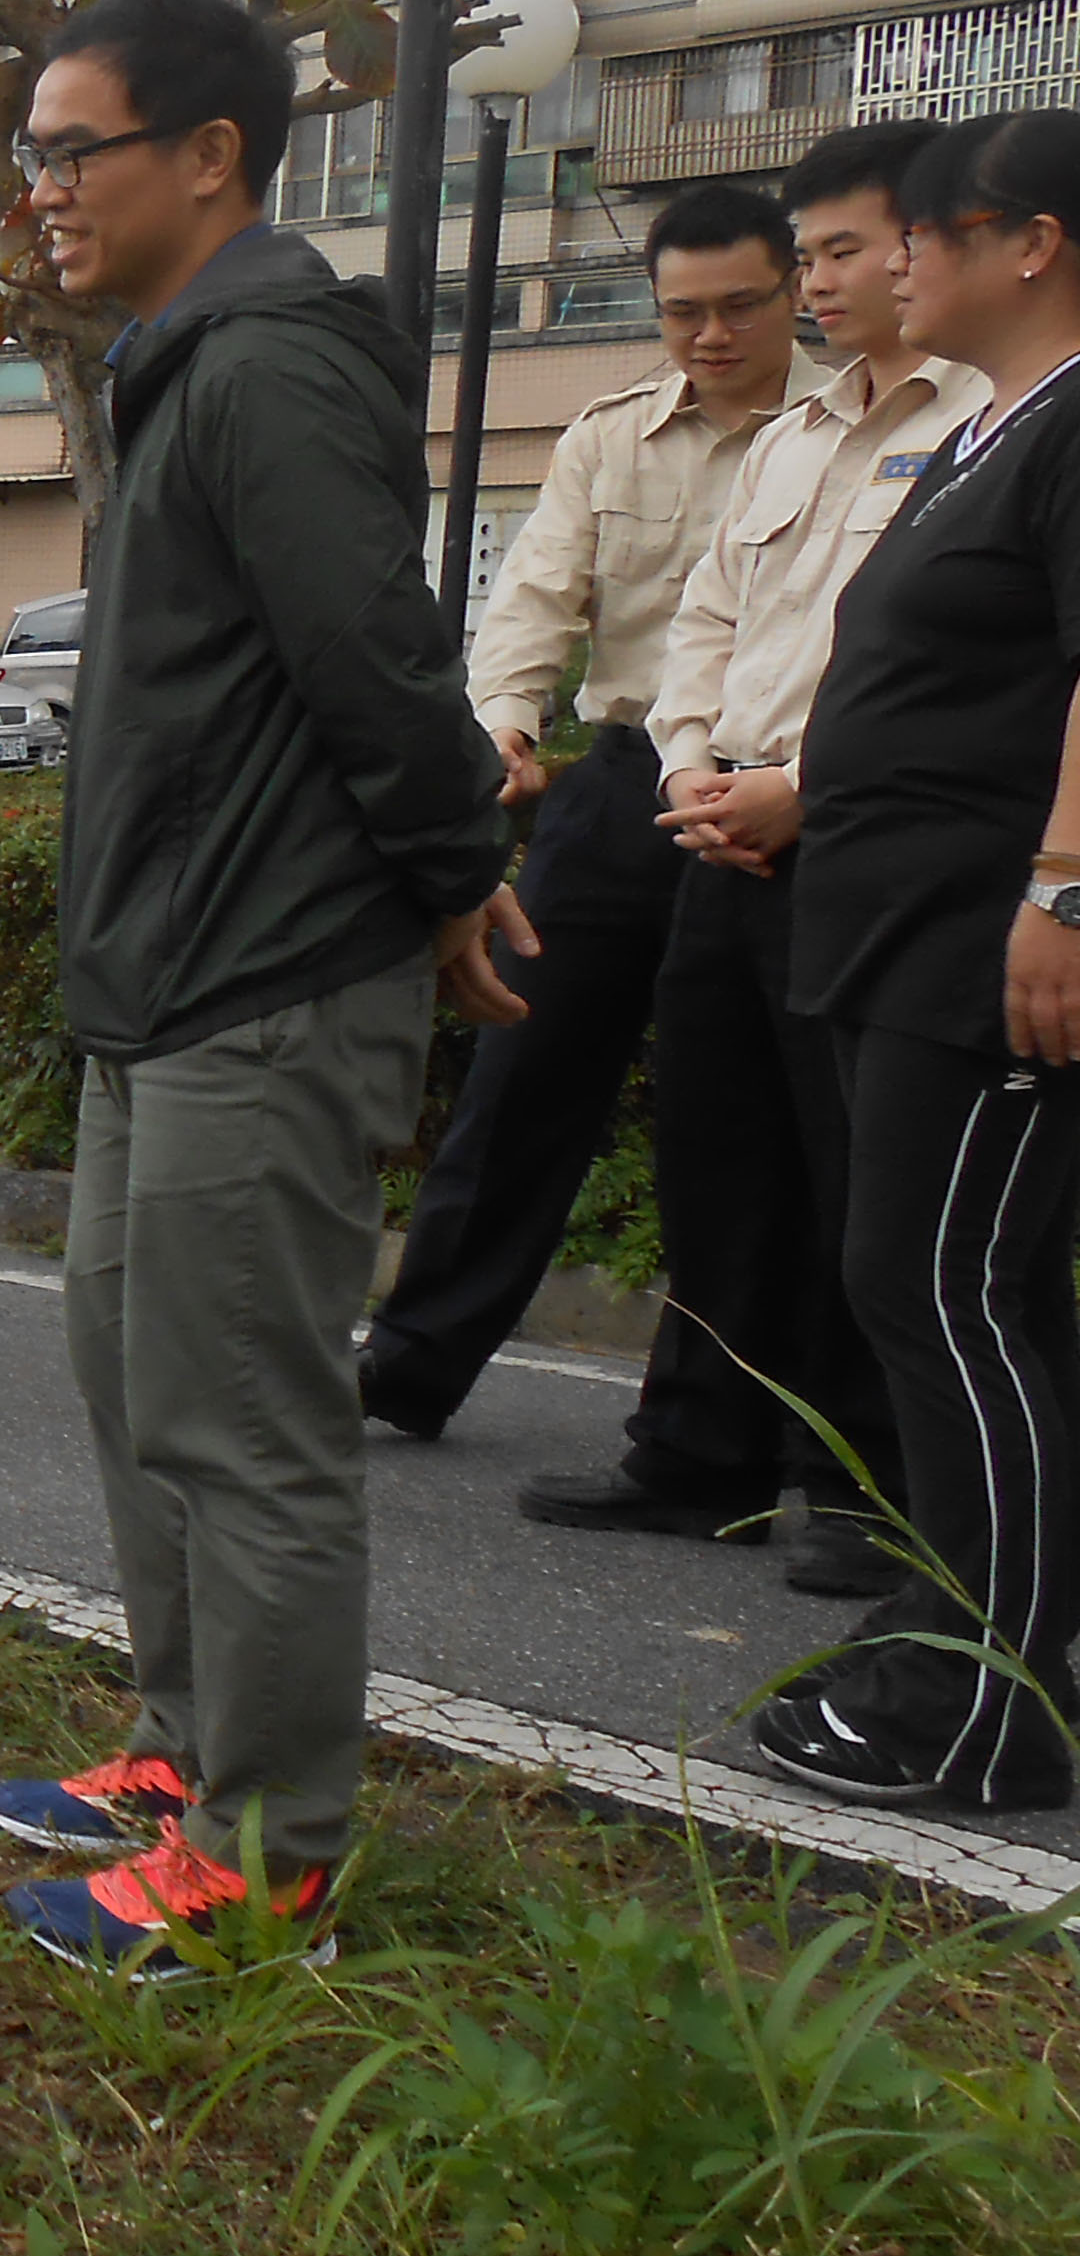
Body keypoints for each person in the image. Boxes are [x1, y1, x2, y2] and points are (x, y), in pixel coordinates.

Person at [0, 0, 525, 1977]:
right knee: (140, 1388)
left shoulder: (275, 362)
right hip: (167, 974)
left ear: (208, 156)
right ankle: (182, 1750)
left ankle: (272, 1859)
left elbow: (380, 664)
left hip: (266, 975)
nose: (38, 187)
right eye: (31, 154)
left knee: (246, 1424)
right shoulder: (180, 357)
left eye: (71, 149)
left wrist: (454, 879)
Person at [360, 184, 823, 1450]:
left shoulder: (852, 430)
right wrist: (504, 723)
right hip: (622, 789)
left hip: (774, 799)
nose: (711, 336)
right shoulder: (608, 436)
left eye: (740, 306)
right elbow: (535, 599)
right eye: (683, 313)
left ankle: (724, 1430)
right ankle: (407, 1368)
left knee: (742, 1128)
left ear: (796, 290)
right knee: (520, 1073)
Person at [751, 109, 1080, 1817]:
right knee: (954, 1291)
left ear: (1029, 244)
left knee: (945, 1288)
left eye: (930, 237)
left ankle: (983, 1702)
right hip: (903, 930)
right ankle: (967, 1631)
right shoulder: (986, 434)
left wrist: (1063, 891)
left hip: (983, 941)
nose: (901, 264)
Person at [635, 122, 978, 1598]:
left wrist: (800, 786)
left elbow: (961, 675)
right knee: (714, 1156)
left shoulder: (988, 417)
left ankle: (863, 1487)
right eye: (813, 252)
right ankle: (701, 1454)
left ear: (931, 241)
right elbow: (708, 622)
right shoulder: (796, 431)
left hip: (861, 845)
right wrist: (692, 765)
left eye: (841, 250)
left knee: (861, 1185)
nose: (821, 280)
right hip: (725, 836)